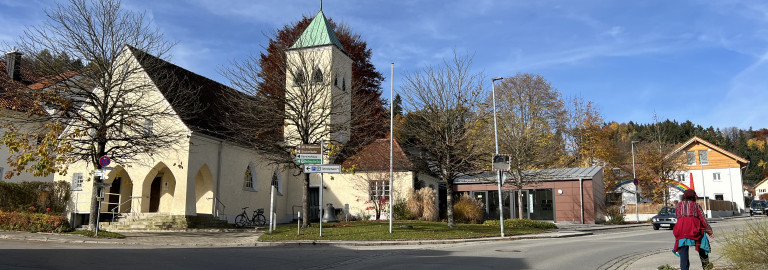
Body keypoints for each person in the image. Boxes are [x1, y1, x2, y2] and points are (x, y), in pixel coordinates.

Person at [673, 189, 714, 270]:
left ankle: (684, 268)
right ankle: (706, 266)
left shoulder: (678, 205)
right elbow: (702, 219)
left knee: (683, 254)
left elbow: (678, 216)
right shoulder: (696, 205)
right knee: (703, 245)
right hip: (695, 228)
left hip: (681, 229)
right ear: (693, 197)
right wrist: (709, 231)